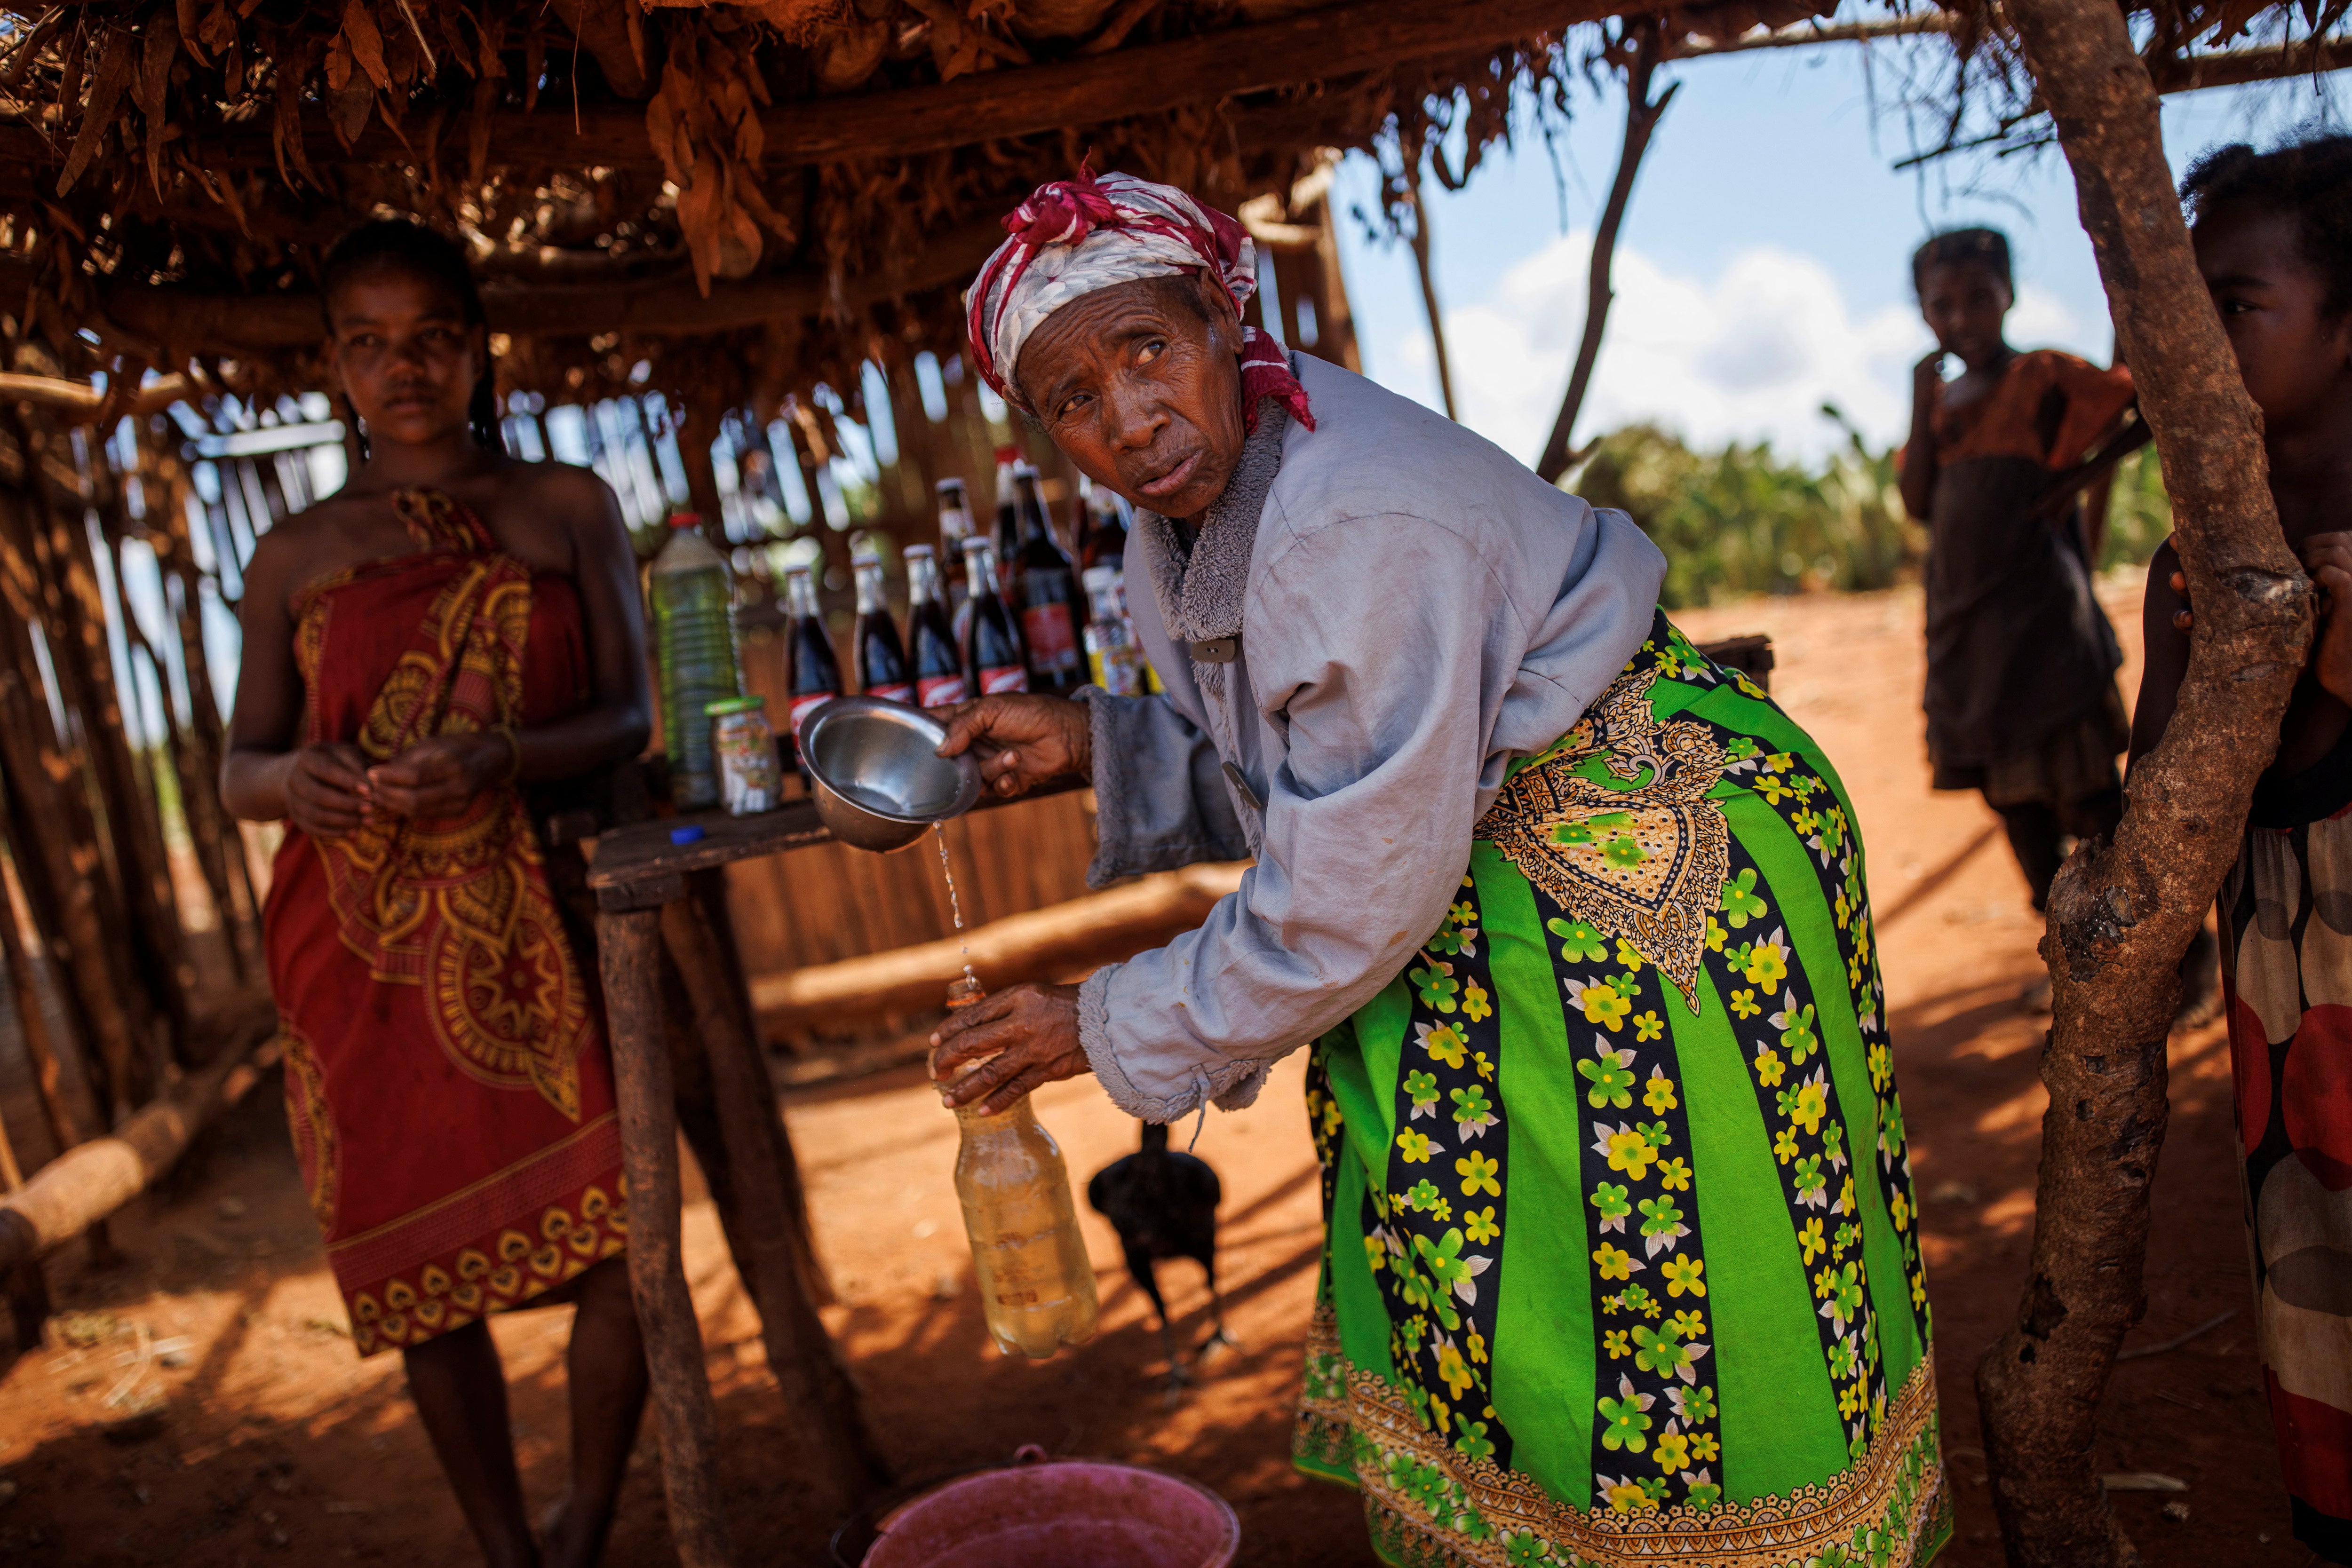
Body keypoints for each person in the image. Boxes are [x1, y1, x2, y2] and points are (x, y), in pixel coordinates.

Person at [929, 167, 1950, 1566]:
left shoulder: (1350, 517)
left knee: (1667, 1282)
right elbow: (1320, 746)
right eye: (1076, 399)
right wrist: (1104, 743)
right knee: (1517, 1269)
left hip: (1646, 872)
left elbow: (1355, 879)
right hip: (1489, 840)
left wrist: (1099, 1022)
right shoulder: (1200, 504)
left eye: (1147, 351)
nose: (1129, 418)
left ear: (1226, 318)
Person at [222, 219, 653, 1568]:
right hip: (353, 947)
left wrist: (501, 753)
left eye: (430, 337)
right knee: (422, 1285)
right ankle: (506, 1552)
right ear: (335, 362)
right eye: (368, 341)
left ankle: (583, 1521)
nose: (401, 367)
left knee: (629, 1241)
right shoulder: (294, 553)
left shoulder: (567, 505)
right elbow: (235, 762)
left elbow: (632, 715)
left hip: (541, 922)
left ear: (477, 344)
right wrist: (300, 779)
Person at [2133, 133, 2352, 1568]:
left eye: (2239, 302)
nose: (2194, 341)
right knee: (2325, 1296)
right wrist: (2240, 689)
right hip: (2294, 1025)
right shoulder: (2195, 567)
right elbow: (2158, 817)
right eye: (2183, 304)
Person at [1900, 229, 2137, 933]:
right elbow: (1917, 503)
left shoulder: (2042, 378)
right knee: (2015, 803)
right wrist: (1918, 400)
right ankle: (2069, 947)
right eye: (1942, 305)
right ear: (1922, 312)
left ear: (2009, 294)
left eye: (1979, 298)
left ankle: (2174, 964)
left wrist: (2075, 482)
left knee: (2092, 799)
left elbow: (2136, 407)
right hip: (1968, 635)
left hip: (2045, 630)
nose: (1961, 318)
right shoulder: (1940, 407)